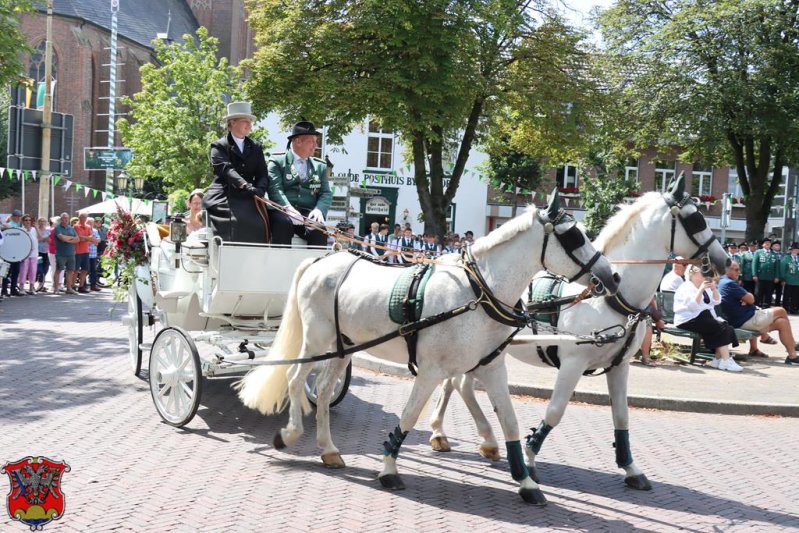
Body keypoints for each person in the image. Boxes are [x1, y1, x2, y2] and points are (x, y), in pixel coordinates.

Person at [204, 101, 270, 243]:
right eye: (245, 121)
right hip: (225, 193)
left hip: (250, 194)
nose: (249, 124)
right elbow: (227, 169)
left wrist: (260, 189)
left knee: (260, 223)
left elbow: (262, 173)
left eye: (250, 121)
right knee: (236, 221)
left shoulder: (256, 147)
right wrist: (244, 184)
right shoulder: (219, 146)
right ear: (232, 123)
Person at [718, 261, 799, 365]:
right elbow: (751, 299)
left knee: (782, 322)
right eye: (736, 270)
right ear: (727, 270)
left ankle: (792, 355)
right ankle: (792, 343)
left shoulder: (722, 281)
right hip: (743, 321)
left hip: (741, 319)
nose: (739, 272)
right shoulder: (729, 283)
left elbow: (747, 299)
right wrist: (746, 299)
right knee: (781, 310)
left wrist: (745, 299)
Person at [268, 120, 332, 247]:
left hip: (307, 213)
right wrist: (288, 209)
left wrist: (319, 209)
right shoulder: (277, 161)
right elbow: (275, 190)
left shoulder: (320, 166)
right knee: (283, 224)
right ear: (298, 141)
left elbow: (326, 193)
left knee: (320, 230)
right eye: (312, 141)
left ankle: (315, 266)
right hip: (282, 212)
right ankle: (279, 264)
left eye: (316, 142)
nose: (316, 146)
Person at [674, 264, 742, 371]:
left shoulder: (705, 286)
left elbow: (716, 301)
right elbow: (692, 307)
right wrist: (700, 290)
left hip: (703, 318)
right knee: (719, 327)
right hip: (687, 319)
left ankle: (718, 359)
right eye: (703, 272)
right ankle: (726, 360)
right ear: (693, 273)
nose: (706, 275)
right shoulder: (686, 287)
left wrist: (714, 289)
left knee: (726, 327)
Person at [54, 212, 79, 295]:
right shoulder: (57, 228)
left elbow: (77, 239)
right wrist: (71, 239)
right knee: (58, 270)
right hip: (61, 253)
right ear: (61, 219)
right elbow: (61, 238)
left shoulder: (71, 228)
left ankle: (69, 288)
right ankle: (56, 288)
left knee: (70, 271)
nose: (65, 219)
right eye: (64, 218)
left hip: (71, 253)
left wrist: (67, 239)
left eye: (67, 218)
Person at [1, 208, 24, 296]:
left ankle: (13, 289)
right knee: (7, 272)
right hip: (9, 252)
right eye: (17, 216)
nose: (18, 218)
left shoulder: (19, 226)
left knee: (15, 271)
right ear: (13, 217)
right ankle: (4, 290)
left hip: (16, 252)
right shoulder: (9, 225)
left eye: (19, 216)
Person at [752, 237, 779, 307]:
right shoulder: (758, 252)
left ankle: (766, 305)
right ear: (763, 245)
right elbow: (754, 263)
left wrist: (776, 276)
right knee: (758, 292)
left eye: (769, 243)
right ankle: (757, 305)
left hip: (770, 277)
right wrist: (754, 274)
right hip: (760, 276)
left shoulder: (774, 254)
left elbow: (777, 266)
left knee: (769, 292)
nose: (767, 244)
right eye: (766, 243)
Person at [17, 214, 38, 295]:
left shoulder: (34, 229)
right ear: (23, 221)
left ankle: (31, 288)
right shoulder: (21, 230)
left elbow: (40, 237)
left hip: (34, 253)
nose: (28, 222)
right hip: (24, 253)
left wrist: (36, 227)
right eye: (26, 220)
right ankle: (21, 288)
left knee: (33, 271)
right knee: (23, 271)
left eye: (29, 220)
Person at [73, 212, 93, 293]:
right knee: (75, 270)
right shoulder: (75, 226)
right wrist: (87, 238)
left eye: (86, 217)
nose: (84, 219)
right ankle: (72, 286)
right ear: (79, 217)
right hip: (77, 251)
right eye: (83, 217)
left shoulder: (88, 226)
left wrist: (86, 238)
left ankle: (81, 286)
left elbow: (91, 237)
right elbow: (79, 237)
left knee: (85, 269)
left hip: (86, 251)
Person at [780, 242, 799, 314]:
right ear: (791, 250)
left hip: (797, 281)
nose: (795, 251)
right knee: (787, 295)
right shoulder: (786, 258)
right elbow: (782, 269)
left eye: (797, 250)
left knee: (796, 296)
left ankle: (794, 309)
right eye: (794, 250)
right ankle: (785, 309)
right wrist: (783, 279)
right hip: (788, 280)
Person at [35, 217, 51, 292]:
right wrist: (43, 238)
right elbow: (38, 239)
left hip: (46, 252)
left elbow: (49, 240)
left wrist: (42, 238)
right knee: (39, 269)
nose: (42, 222)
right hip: (38, 252)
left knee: (46, 268)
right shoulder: (35, 230)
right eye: (40, 221)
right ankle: (38, 283)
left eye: (44, 221)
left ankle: (42, 284)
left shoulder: (48, 230)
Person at [86, 217, 101, 292]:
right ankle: (84, 285)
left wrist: (91, 240)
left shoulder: (95, 230)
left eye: (92, 223)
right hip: (86, 253)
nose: (90, 225)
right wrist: (93, 240)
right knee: (85, 270)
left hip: (93, 253)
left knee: (93, 270)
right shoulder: (85, 230)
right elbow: (85, 242)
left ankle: (93, 285)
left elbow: (98, 240)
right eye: (89, 223)